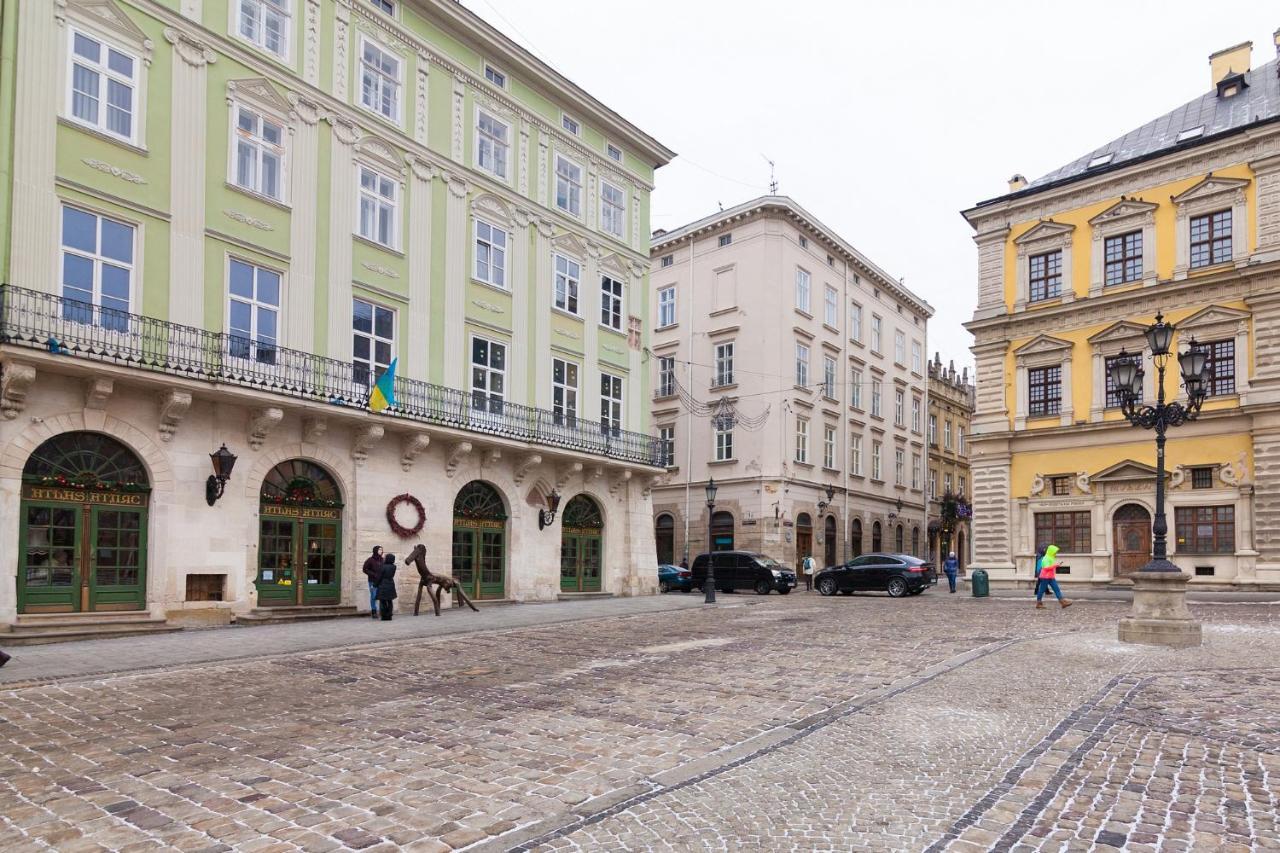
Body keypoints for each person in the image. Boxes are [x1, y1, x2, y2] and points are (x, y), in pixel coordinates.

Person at [1035, 544, 1072, 609]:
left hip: (1050, 576)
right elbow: (1046, 568)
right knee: (1041, 590)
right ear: (1051, 551)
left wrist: (1056, 565)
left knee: (1056, 589)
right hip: (1045, 577)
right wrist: (1056, 565)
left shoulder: (1051, 558)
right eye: (1055, 552)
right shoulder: (1046, 558)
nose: (1056, 553)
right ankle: (1039, 603)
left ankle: (1063, 602)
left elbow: (1050, 567)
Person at [362, 546, 384, 619]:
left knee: (381, 596)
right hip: (372, 581)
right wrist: (373, 574)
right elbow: (365, 569)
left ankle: (382, 611)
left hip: (381, 581)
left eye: (381, 550)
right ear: (375, 550)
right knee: (373, 596)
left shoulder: (382, 560)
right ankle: (374, 611)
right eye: (379, 549)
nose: (381, 551)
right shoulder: (370, 560)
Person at [376, 552, 398, 621]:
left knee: (383, 601)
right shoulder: (394, 567)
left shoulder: (383, 566)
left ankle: (384, 616)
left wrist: (375, 584)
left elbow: (380, 576)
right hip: (391, 583)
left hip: (383, 584)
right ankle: (389, 615)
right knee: (389, 601)